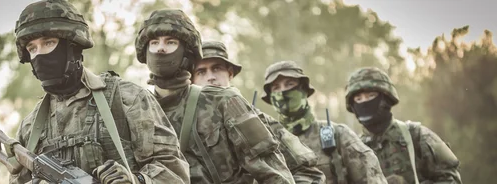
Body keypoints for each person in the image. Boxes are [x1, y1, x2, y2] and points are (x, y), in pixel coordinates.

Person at [9, 1, 189, 183]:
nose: (40, 55)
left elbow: (174, 174)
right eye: (32, 48)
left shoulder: (127, 99)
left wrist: (137, 180)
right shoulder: (30, 128)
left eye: (49, 43)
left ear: (73, 47)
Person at [135, 9, 294, 183]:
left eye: (171, 42)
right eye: (154, 43)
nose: (161, 48)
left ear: (187, 52)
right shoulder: (138, 113)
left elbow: (274, 174)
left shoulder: (224, 101)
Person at [192, 41, 325, 183]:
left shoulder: (256, 120)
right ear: (191, 79)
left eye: (217, 68)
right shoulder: (178, 122)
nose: (210, 77)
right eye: (201, 72)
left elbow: (306, 171)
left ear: (230, 73)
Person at [262, 61, 387, 184]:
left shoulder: (338, 134)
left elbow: (372, 179)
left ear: (304, 89)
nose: (283, 92)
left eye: (289, 84)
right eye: (276, 88)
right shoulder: (266, 144)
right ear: (271, 97)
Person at [345, 67, 462, 184]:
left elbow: (451, 179)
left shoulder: (416, 136)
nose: (365, 103)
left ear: (386, 99)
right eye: (358, 99)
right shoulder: (355, 152)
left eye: (371, 96)